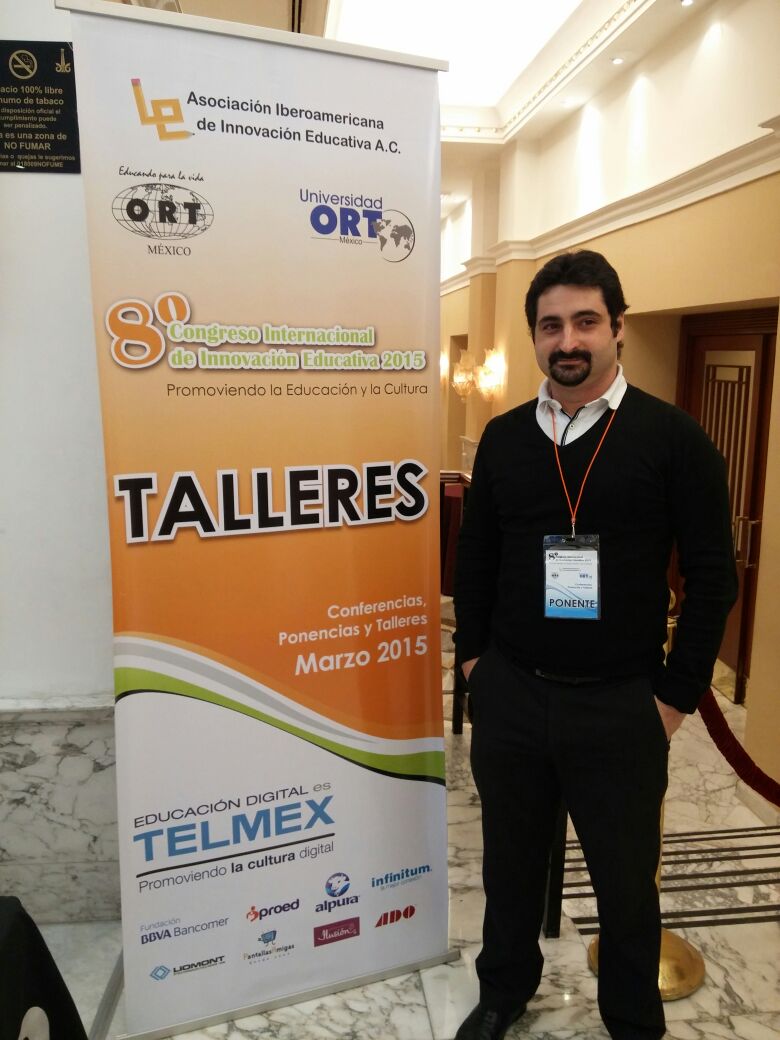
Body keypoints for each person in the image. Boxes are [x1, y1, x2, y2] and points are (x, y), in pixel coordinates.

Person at [453, 250, 737, 1040]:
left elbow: (714, 576)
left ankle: (632, 1019)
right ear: (534, 338)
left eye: (585, 321)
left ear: (618, 327)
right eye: (551, 326)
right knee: (510, 867)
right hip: (514, 694)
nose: (568, 340)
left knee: (625, 886)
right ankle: (504, 991)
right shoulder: (504, 438)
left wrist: (673, 699)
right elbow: (475, 560)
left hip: (621, 705)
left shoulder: (674, 439)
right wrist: (475, 665)